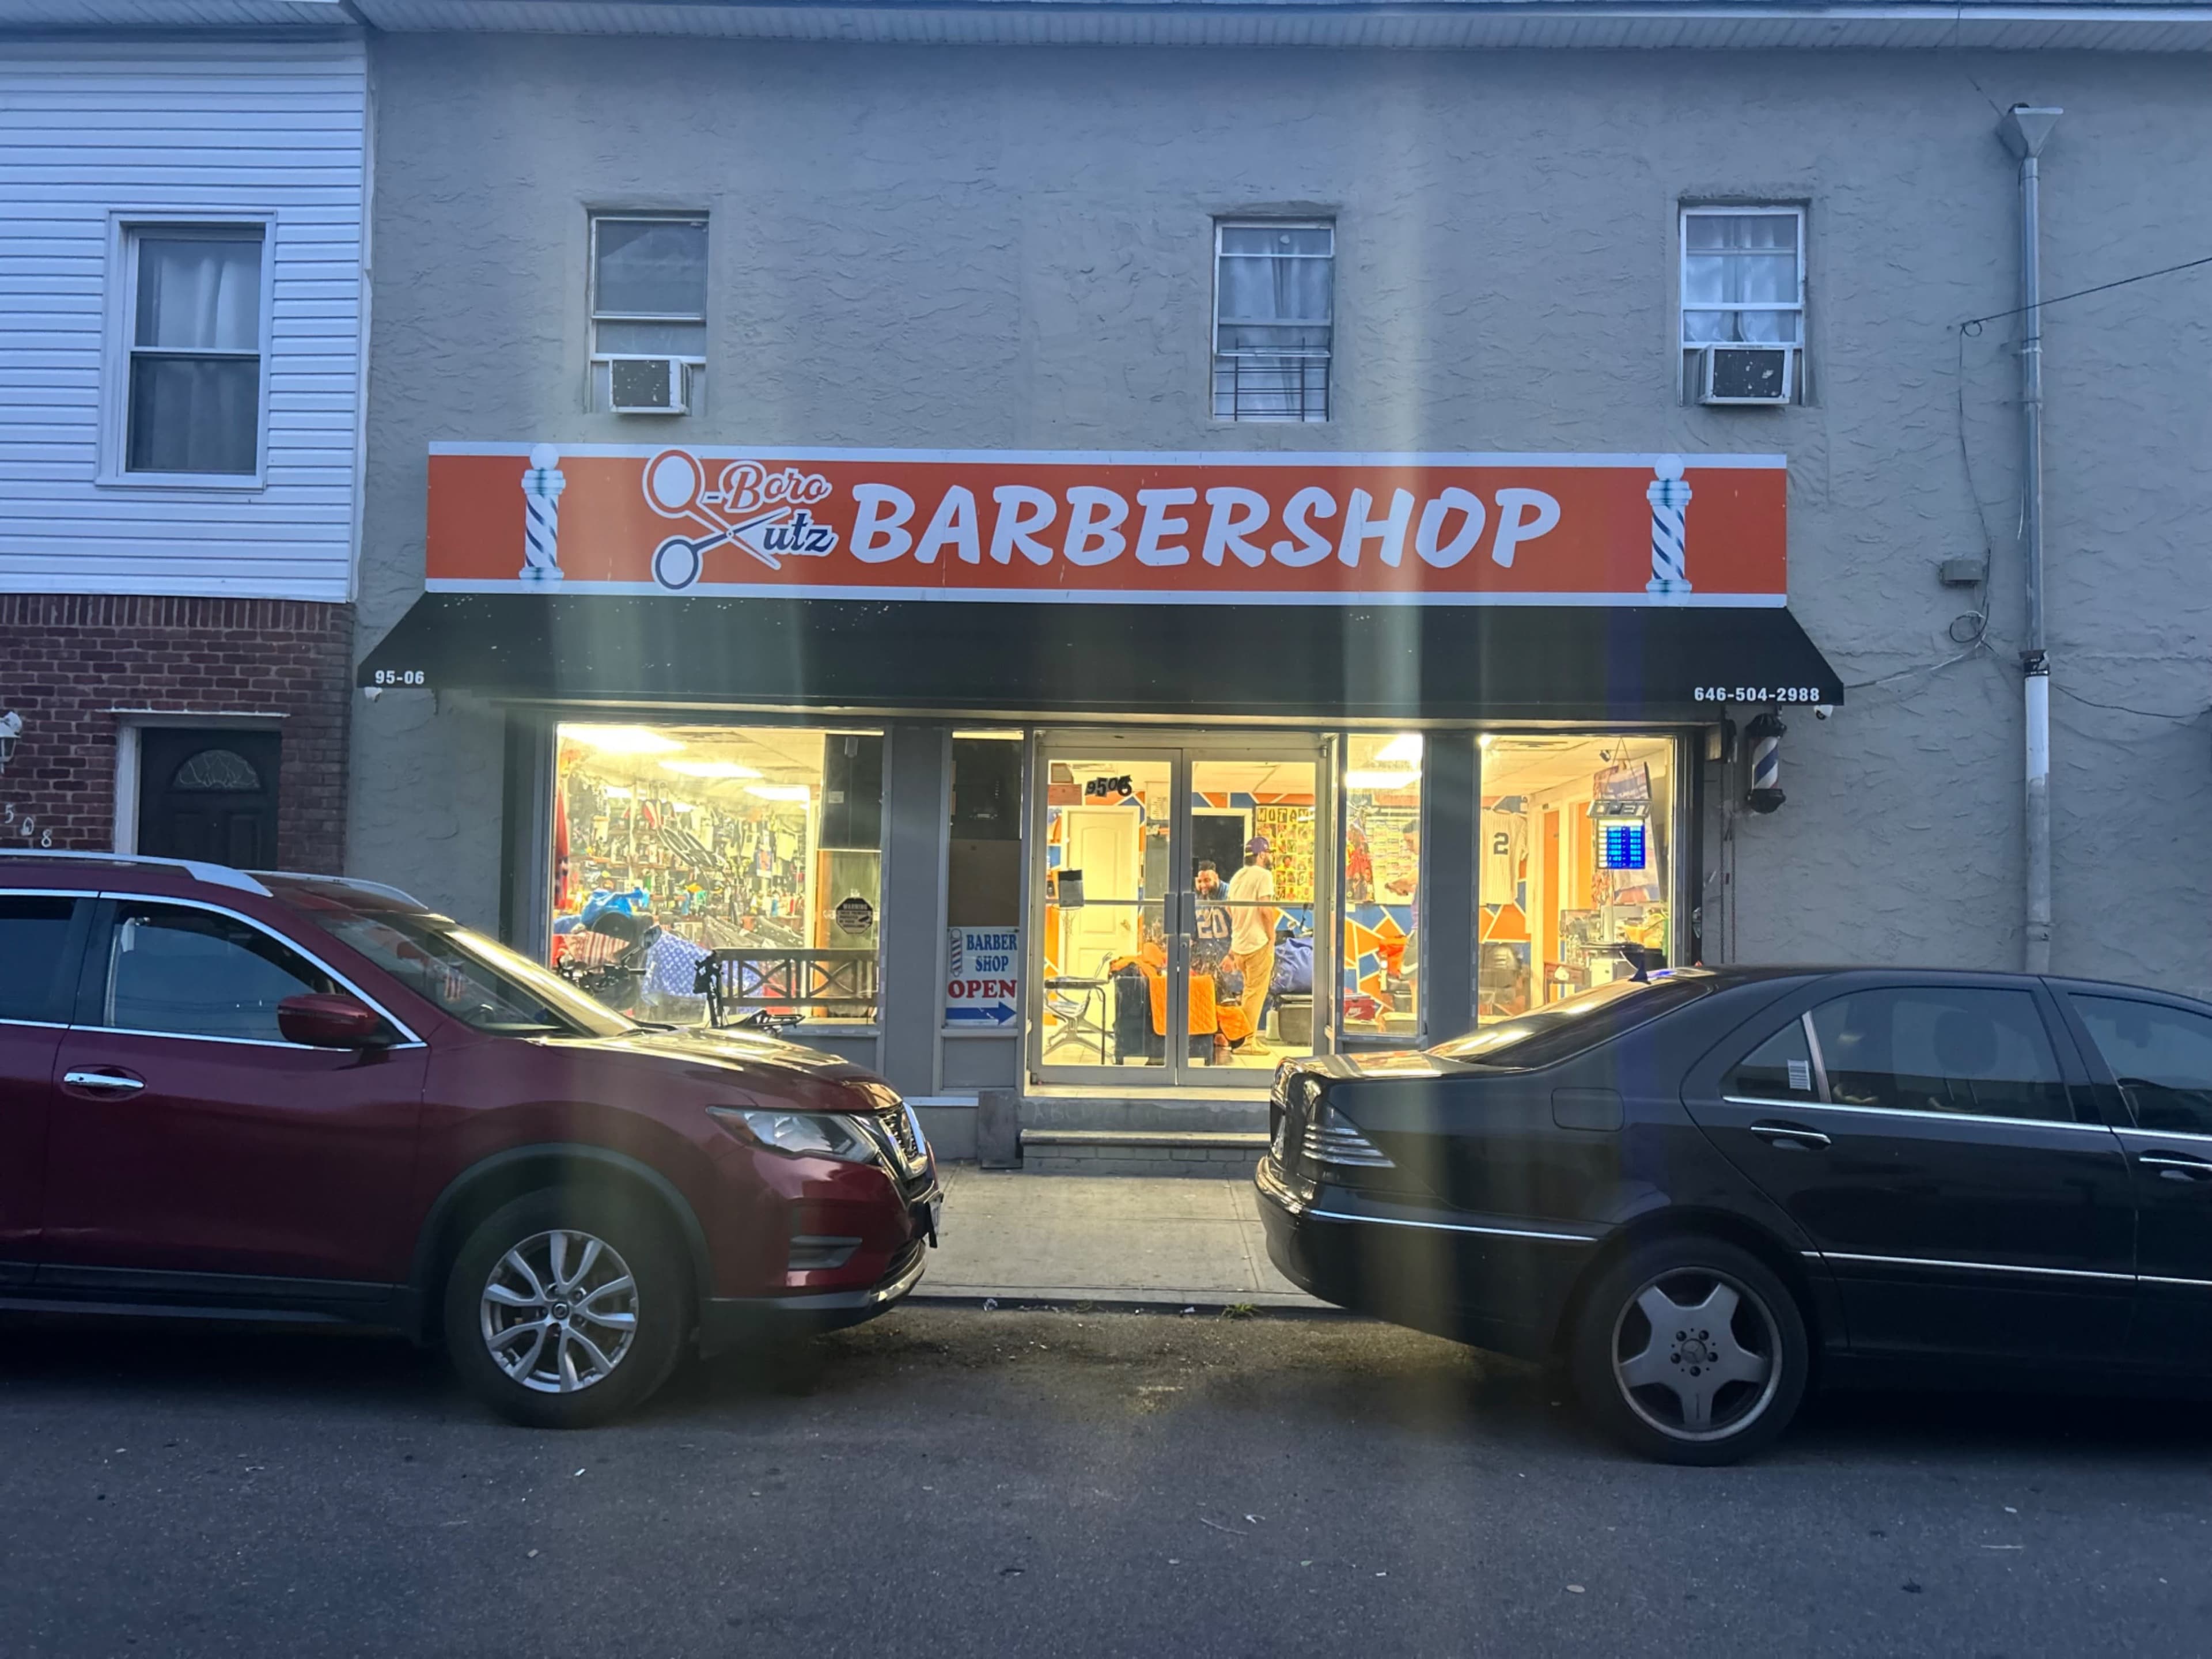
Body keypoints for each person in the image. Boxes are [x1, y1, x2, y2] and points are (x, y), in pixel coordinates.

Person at [1226, 835, 1279, 1053]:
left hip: (1239, 944)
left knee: (1247, 993)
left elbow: (1229, 908)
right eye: (1268, 853)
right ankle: (1246, 1041)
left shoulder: (1238, 876)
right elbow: (1265, 910)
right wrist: (1272, 936)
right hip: (1258, 943)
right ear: (1262, 854)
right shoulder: (1264, 875)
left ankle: (1241, 1038)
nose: (1269, 857)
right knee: (1255, 994)